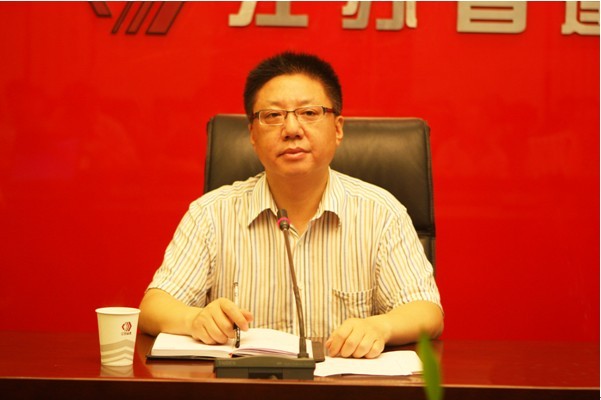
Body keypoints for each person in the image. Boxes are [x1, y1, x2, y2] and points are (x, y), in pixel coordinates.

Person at [139, 52, 443, 359]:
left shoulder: (381, 213)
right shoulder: (211, 214)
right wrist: (195, 319)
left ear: (338, 128)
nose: (292, 129)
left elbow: (426, 310)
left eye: (309, 113)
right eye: (273, 116)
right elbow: (153, 307)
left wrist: (381, 326)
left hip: (343, 382)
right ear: (252, 134)